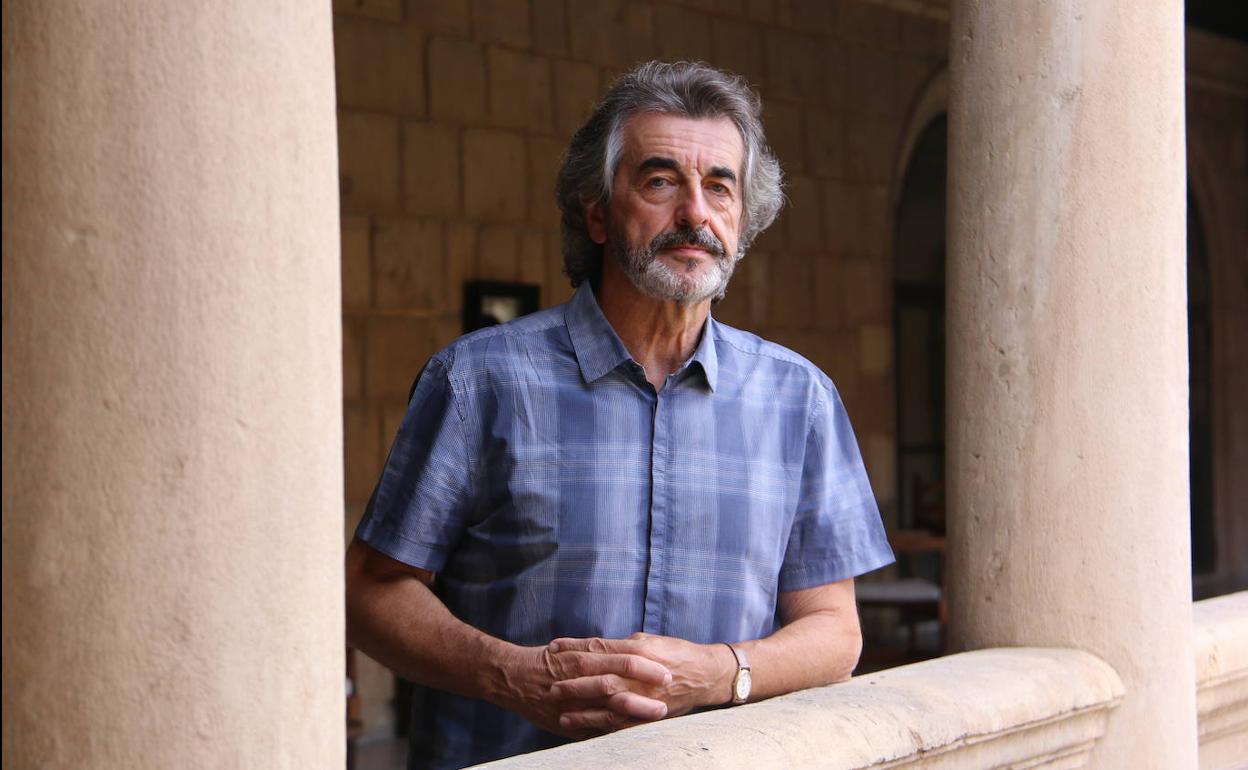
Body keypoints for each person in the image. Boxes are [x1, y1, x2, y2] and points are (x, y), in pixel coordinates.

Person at [345, 60, 895, 770]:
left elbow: (833, 629)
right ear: (597, 212)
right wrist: (510, 675)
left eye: (719, 187)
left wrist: (722, 673)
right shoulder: (478, 381)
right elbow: (371, 591)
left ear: (743, 219)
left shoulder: (801, 399)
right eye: (661, 181)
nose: (695, 213)